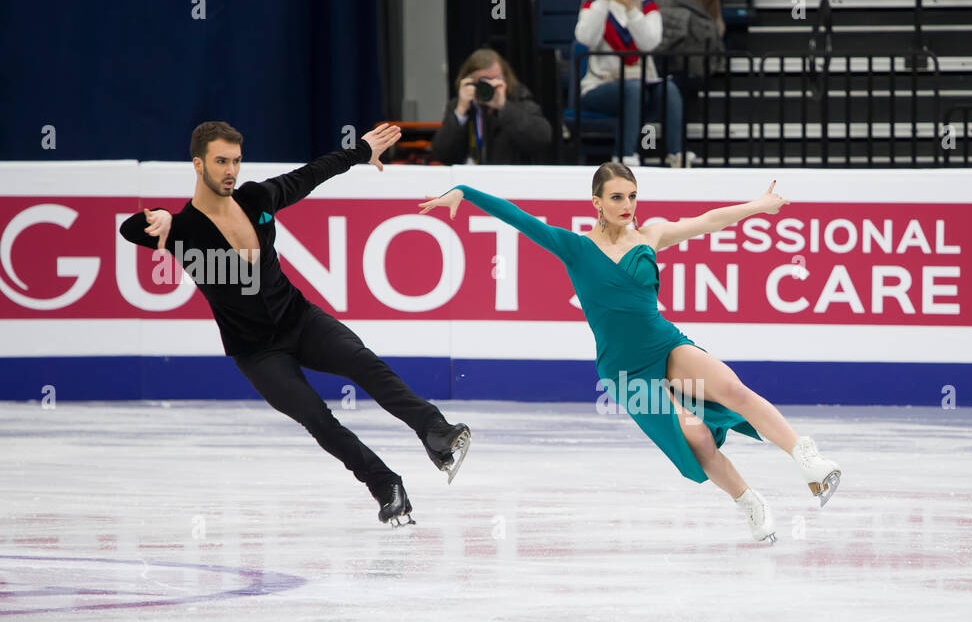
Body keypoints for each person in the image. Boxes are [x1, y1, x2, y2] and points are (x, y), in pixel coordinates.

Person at [416, 166, 843, 544]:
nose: (627, 205)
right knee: (694, 436)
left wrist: (760, 205)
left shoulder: (651, 235)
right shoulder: (575, 247)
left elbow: (709, 221)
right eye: (617, 197)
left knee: (732, 388)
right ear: (597, 202)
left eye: (633, 196)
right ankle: (749, 502)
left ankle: (807, 458)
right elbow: (521, 220)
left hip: (665, 344)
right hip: (625, 372)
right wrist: (466, 191)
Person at [118, 121, 470, 526]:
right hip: (257, 352)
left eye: (235, 160)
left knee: (365, 364)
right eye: (220, 162)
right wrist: (162, 213)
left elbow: (312, 174)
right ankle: (384, 483)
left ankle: (435, 432)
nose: (231, 170)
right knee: (318, 419)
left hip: (300, 320)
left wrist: (359, 152)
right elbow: (129, 229)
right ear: (198, 165)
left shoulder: (257, 197)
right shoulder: (182, 230)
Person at [575, 0, 693, 167]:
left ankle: (677, 155)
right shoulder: (592, 3)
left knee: (669, 89)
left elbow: (649, 43)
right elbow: (586, 37)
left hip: (642, 87)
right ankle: (625, 156)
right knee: (632, 88)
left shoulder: (647, 5)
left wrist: (631, 7)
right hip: (601, 86)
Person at [431, 48, 553, 166]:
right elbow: (441, 154)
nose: (489, 86)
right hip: (469, 179)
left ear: (505, 79)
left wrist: (504, 107)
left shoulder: (520, 101)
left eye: (495, 79)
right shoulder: (459, 106)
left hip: (507, 180)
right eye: (483, 81)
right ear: (469, 81)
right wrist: (460, 113)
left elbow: (542, 138)